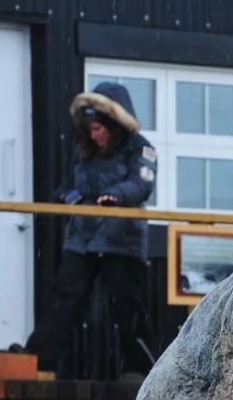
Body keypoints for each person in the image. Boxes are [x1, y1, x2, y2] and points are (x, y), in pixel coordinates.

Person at [24, 81, 158, 379]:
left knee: (128, 306)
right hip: (82, 238)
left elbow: (142, 184)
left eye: (98, 129)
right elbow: (65, 186)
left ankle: (145, 371)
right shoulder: (83, 150)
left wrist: (116, 196)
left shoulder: (140, 147)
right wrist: (68, 196)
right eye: (90, 129)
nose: (94, 135)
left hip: (122, 239)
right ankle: (39, 360)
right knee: (64, 299)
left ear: (114, 125)